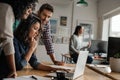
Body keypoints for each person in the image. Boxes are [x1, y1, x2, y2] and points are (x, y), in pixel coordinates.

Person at [0, 0, 38, 79]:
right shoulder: (7, 8)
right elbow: (7, 41)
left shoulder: (28, 42)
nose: (30, 11)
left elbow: (34, 62)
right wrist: (13, 70)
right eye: (29, 6)